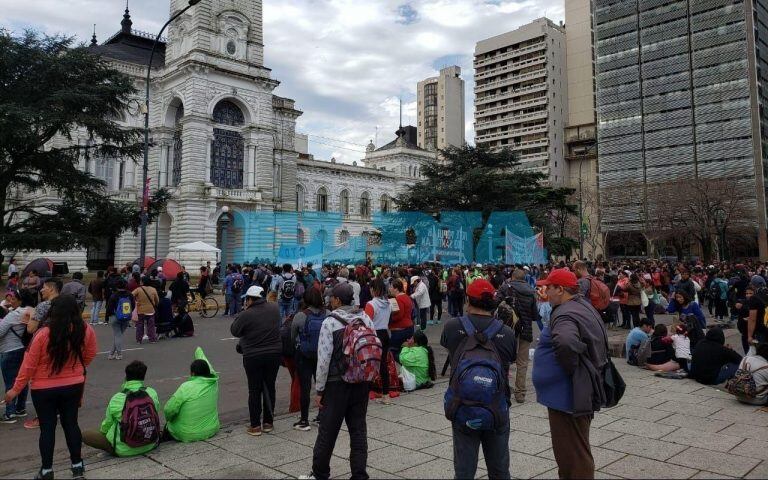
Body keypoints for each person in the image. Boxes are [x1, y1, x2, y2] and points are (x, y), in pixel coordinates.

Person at [4, 295, 97, 480]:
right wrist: (77, 368)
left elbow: (29, 364)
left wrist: (15, 389)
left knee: (47, 428)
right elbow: (90, 354)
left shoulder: (43, 333)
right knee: (71, 424)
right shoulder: (85, 330)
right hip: (73, 385)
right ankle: (77, 466)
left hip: (43, 388)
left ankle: (47, 470)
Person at [532, 269, 608, 480]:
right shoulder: (581, 305)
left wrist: (570, 370)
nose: (544, 290)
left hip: (567, 395)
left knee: (573, 455)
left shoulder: (564, 313)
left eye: (549, 287)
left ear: (561, 289)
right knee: (572, 451)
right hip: (571, 393)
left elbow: (565, 342)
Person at [440, 278, 515, 480]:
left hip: (462, 403)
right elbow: (511, 358)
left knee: (464, 471)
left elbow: (448, 348)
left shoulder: (451, 327)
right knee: (499, 470)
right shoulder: (506, 332)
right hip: (497, 405)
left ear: (468, 300)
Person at [305, 283, 376, 480]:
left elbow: (324, 359)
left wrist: (319, 390)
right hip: (361, 382)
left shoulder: (331, 322)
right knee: (358, 430)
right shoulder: (365, 318)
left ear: (337, 300)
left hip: (337, 384)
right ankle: (359, 474)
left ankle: (320, 473)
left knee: (327, 432)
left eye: (332, 298)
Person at [230, 285, 281, 436]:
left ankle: (255, 426)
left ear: (250, 299)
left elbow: (234, 330)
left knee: (254, 389)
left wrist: (243, 313)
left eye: (247, 299)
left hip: (253, 356)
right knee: (270, 386)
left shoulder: (247, 314)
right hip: (274, 354)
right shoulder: (274, 308)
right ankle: (268, 423)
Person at [81, 361, 161, 457]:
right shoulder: (152, 392)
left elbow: (107, 424)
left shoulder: (118, 398)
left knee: (86, 435)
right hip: (151, 444)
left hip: (124, 450)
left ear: (126, 377)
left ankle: (112, 450)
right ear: (143, 377)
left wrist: (103, 434)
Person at [497, 268, 539, 404]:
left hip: (508, 329)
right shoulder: (531, 291)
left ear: (512, 277)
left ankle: (503, 389)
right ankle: (520, 393)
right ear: (524, 278)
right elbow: (535, 315)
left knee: (504, 358)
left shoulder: (505, 288)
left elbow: (495, 304)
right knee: (522, 362)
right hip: (525, 330)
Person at [291, 287, 328, 431]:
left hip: (304, 355)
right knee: (322, 386)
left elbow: (292, 336)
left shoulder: (301, 316)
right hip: (322, 355)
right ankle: (320, 416)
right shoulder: (328, 314)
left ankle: (304, 420)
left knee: (305, 387)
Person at [163, 347, 220, 442]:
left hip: (187, 434)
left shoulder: (186, 387)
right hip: (212, 429)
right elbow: (210, 368)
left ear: (192, 373)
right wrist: (199, 352)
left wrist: (170, 420)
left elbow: (169, 410)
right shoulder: (214, 383)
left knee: (168, 426)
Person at [0, 289, 36, 423]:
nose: (10, 301)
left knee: (10, 381)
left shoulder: (14, 315)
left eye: (13, 299)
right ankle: (20, 408)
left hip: (9, 351)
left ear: (21, 300)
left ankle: (10, 413)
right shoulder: (29, 312)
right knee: (22, 379)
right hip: (22, 349)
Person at [364, 278, 395, 403]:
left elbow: (367, 322)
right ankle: (386, 395)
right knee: (383, 365)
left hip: (374, 334)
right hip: (385, 334)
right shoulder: (388, 303)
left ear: (372, 289)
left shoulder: (371, 304)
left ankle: (367, 391)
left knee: (369, 364)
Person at [105, 279, 134, 360]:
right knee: (119, 335)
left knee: (117, 335)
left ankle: (119, 354)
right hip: (126, 317)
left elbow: (109, 308)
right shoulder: (130, 294)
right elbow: (133, 306)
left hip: (115, 317)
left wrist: (107, 318)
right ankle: (111, 354)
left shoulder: (114, 295)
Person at [388, 279, 415, 363]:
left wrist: (389, 319)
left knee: (394, 352)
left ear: (396, 289)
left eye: (391, 287)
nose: (389, 288)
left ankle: (406, 366)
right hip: (409, 327)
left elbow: (399, 315)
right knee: (405, 351)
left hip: (400, 330)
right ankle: (406, 369)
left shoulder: (398, 299)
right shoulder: (406, 297)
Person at [132, 276, 159, 344]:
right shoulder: (153, 289)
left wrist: (136, 301)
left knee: (140, 325)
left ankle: (139, 339)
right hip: (150, 310)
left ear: (143, 282)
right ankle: (152, 339)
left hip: (141, 310)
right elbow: (157, 300)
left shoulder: (138, 289)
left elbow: (131, 295)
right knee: (151, 325)